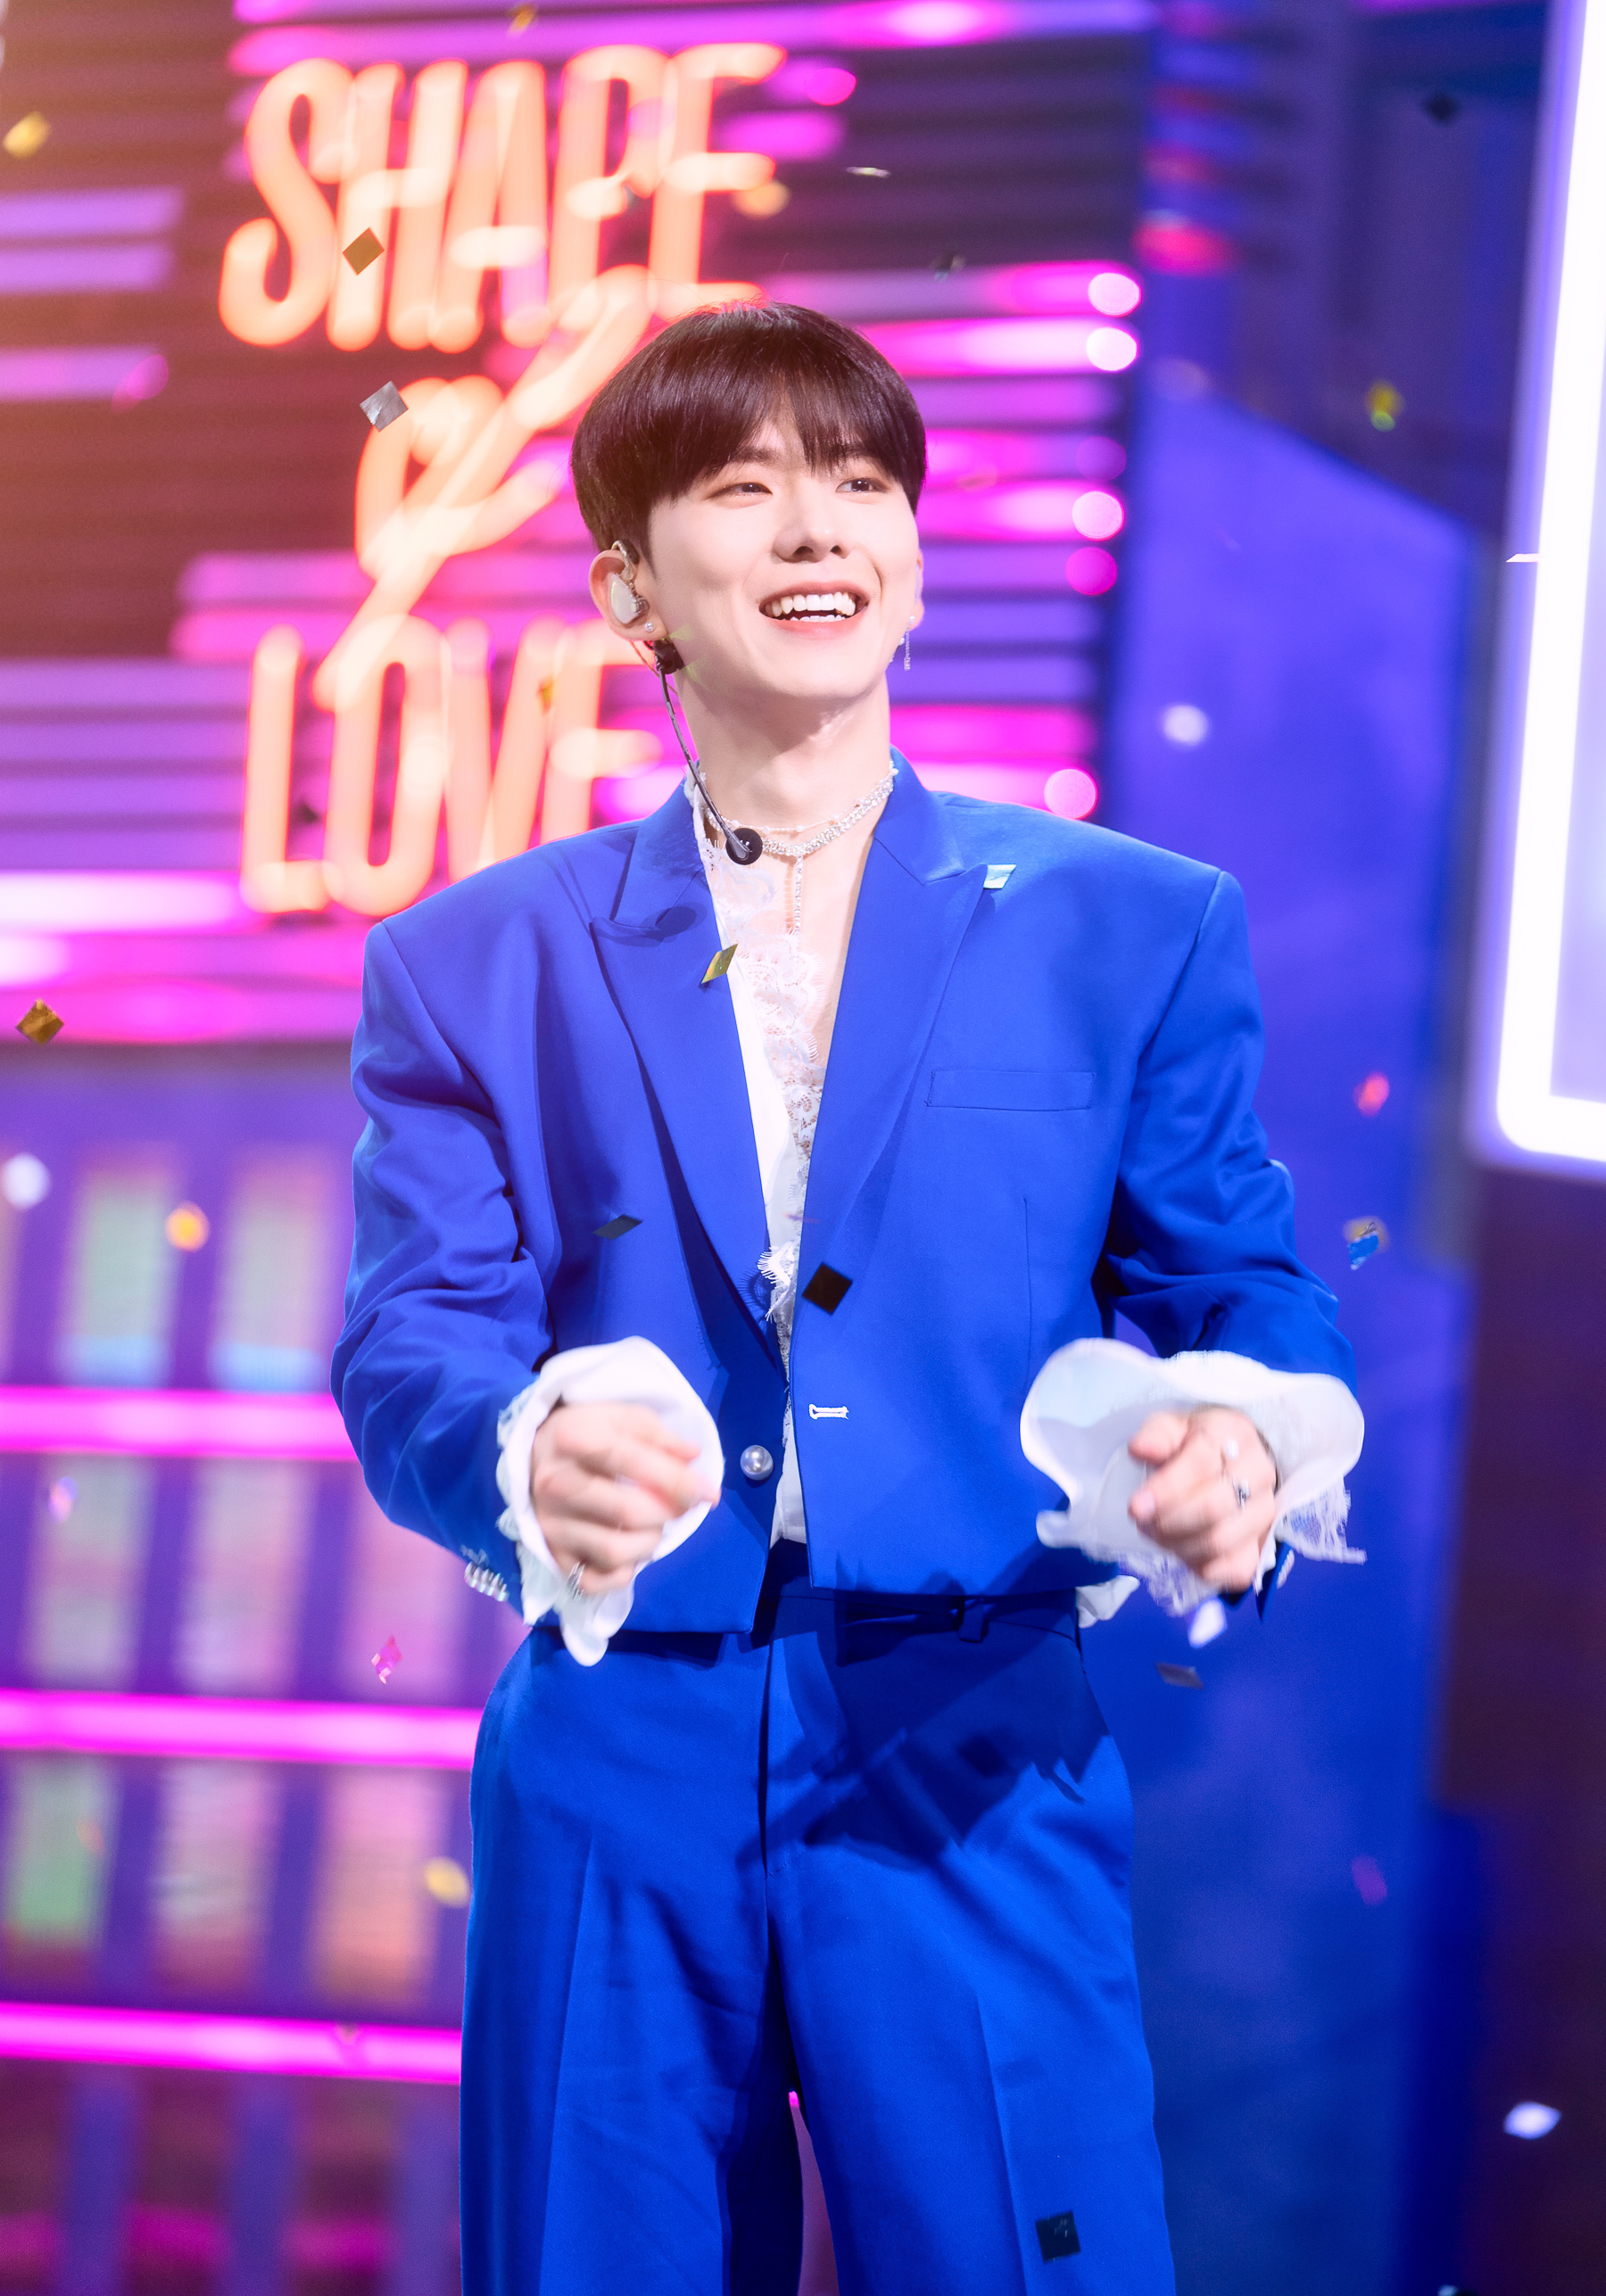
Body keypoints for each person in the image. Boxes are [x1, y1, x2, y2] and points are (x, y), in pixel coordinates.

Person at [334, 302, 1363, 2296]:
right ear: (631, 588)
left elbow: (1238, 1283)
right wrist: (522, 1456)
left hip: (971, 1731)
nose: (820, 528)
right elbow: (413, 1337)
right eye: (746, 489)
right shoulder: (472, 962)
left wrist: (1239, 1435)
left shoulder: (1133, 926)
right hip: (620, 1738)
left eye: (864, 482)